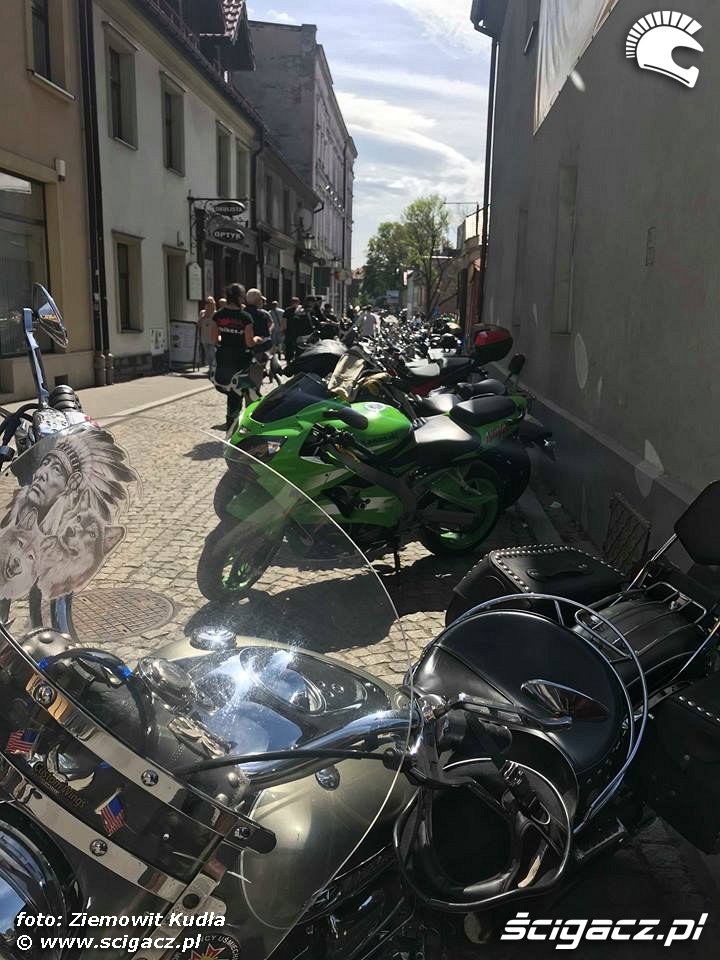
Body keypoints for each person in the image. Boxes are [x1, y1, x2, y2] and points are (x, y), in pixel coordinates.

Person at [212, 284, 260, 430]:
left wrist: (226, 338)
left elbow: (214, 339)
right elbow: (249, 342)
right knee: (248, 391)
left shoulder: (218, 315)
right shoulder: (245, 317)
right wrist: (257, 339)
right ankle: (252, 421)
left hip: (224, 357)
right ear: (239, 297)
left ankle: (231, 423)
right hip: (241, 358)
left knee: (233, 391)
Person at [198, 296, 218, 375]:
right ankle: (210, 368)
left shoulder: (216, 313)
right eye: (207, 303)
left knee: (212, 354)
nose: (208, 304)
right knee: (208, 354)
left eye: (210, 303)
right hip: (204, 336)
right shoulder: (202, 312)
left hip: (213, 336)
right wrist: (203, 317)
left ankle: (213, 369)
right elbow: (198, 325)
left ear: (213, 304)